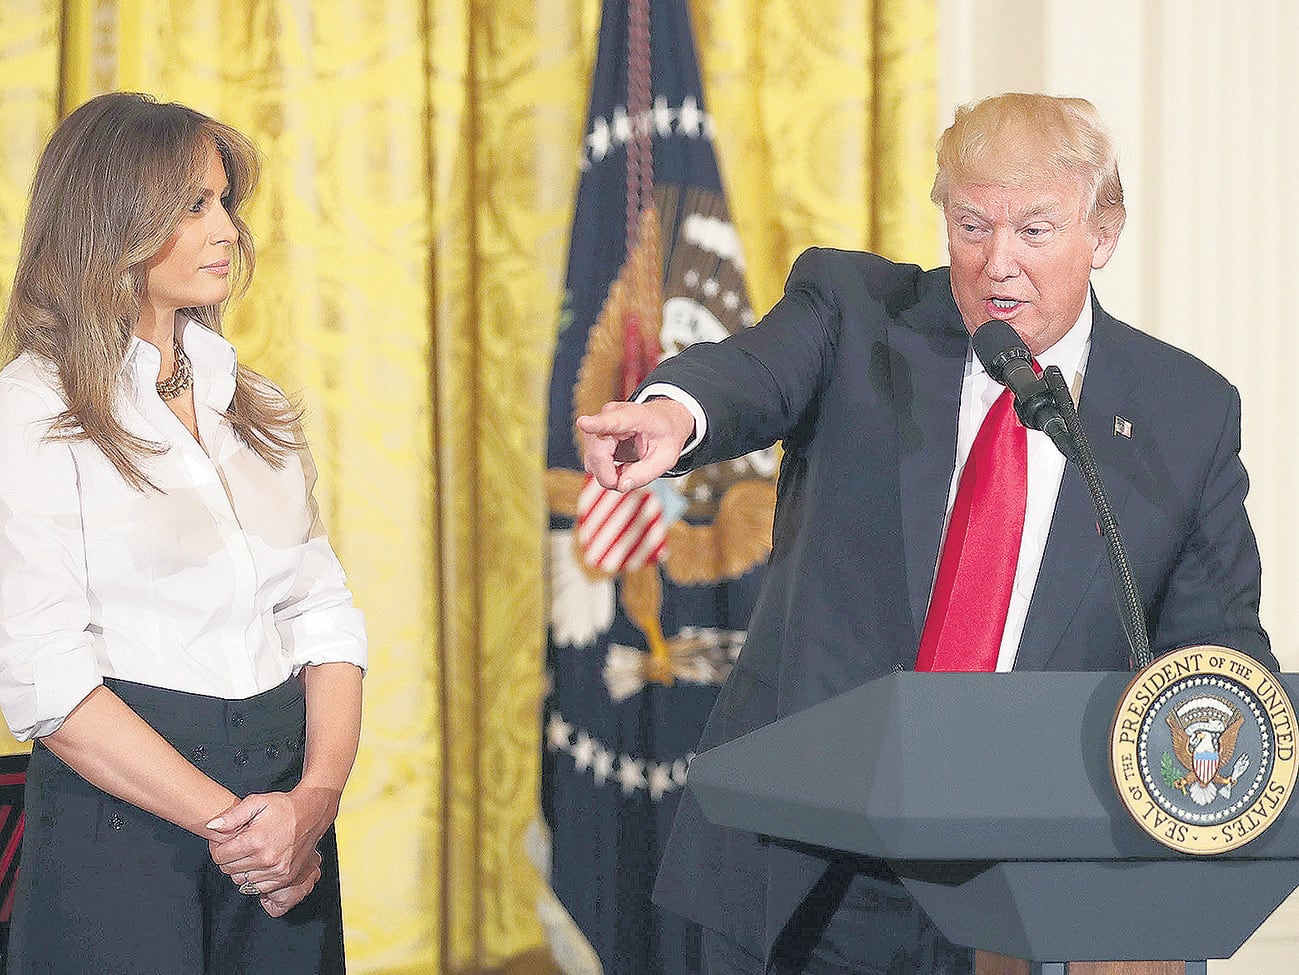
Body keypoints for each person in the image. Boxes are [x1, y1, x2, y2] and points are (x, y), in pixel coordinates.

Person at [578, 93, 1277, 975]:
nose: (998, 265)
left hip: (1030, 883)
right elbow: (750, 372)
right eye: (972, 225)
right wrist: (677, 415)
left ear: (1102, 235)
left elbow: (1214, 640)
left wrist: (1221, 773)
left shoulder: (1183, 411)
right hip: (817, 860)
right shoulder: (855, 312)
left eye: (1034, 230)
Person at [0, 92, 366, 973]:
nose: (228, 231)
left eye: (226, 203)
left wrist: (312, 801)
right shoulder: (27, 412)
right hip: (123, 830)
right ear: (111, 220)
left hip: (288, 831)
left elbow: (322, 614)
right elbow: (47, 679)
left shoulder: (259, 406)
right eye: (194, 205)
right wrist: (241, 830)